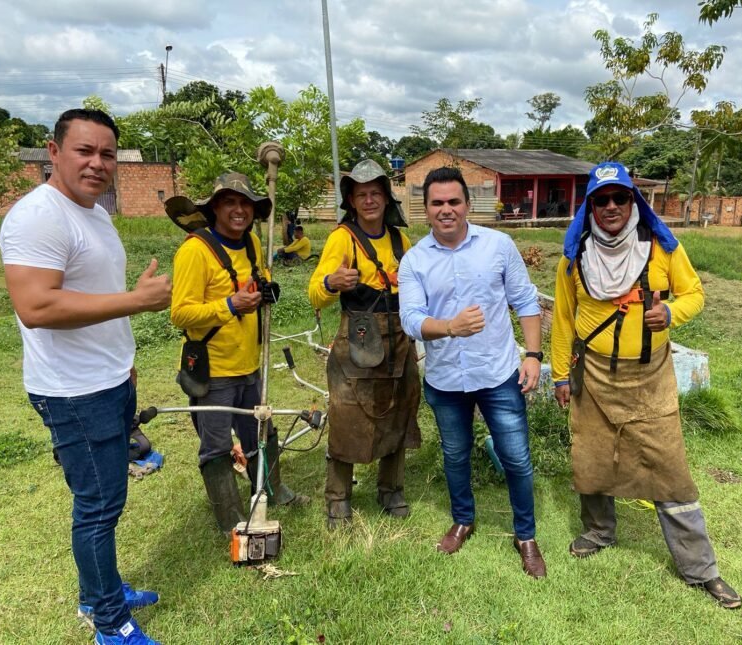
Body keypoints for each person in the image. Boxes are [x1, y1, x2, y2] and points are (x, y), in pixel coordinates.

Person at [0, 109, 171, 644]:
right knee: (98, 506)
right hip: (74, 391)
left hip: (107, 378)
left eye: (107, 154)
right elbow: (36, 306)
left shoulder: (91, 211)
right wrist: (137, 302)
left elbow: (90, 294)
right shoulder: (38, 217)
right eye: (84, 151)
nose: (98, 163)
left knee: (106, 499)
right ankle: (108, 620)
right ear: (53, 152)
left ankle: (102, 591)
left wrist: (124, 361)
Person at [551, 161, 742, 608]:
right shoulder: (575, 256)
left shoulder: (662, 248)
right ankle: (599, 531)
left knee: (669, 469)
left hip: (651, 377)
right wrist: (560, 374)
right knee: (593, 456)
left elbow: (694, 292)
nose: (612, 207)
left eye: (620, 197)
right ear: (591, 207)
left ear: (633, 200)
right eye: (602, 200)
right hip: (594, 374)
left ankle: (700, 569)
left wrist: (672, 313)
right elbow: (562, 320)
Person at [399, 167, 547, 579]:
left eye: (454, 201)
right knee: (455, 454)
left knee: (516, 457)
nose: (446, 210)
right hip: (445, 380)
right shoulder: (414, 261)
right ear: (425, 209)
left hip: (498, 373)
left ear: (467, 204)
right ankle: (464, 519)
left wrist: (533, 354)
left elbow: (526, 301)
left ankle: (526, 536)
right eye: (437, 203)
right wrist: (448, 327)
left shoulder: (498, 246)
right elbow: (411, 318)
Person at [167, 173, 309, 538]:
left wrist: (264, 292)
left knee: (262, 431)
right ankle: (230, 515)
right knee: (215, 446)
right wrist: (230, 304)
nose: (239, 210)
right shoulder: (194, 250)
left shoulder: (252, 244)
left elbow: (254, 284)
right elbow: (180, 314)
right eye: (230, 202)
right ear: (215, 207)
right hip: (213, 370)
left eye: (245, 203)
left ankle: (272, 491)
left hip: (251, 361)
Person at [308, 159, 421, 530]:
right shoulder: (342, 238)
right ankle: (338, 499)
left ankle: (391, 490)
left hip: (399, 341)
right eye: (361, 194)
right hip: (357, 338)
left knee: (399, 411)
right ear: (352, 202)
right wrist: (331, 283)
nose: (369, 200)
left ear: (387, 198)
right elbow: (314, 294)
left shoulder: (400, 240)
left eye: (376, 193)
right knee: (346, 415)